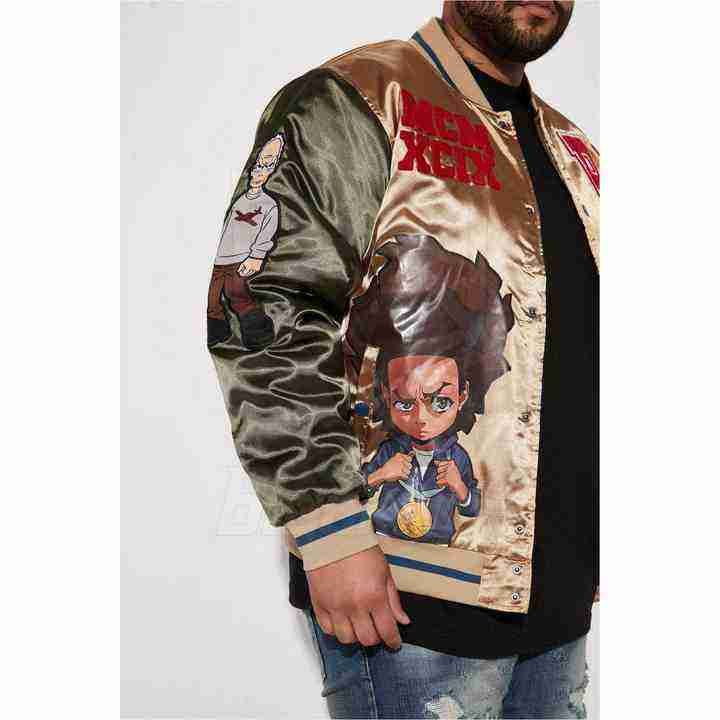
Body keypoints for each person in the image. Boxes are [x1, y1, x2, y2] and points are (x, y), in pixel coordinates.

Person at [207, 2, 599, 717]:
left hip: (558, 596)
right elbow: (265, 307)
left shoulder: (575, 152)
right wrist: (328, 529)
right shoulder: (358, 98)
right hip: (408, 595)